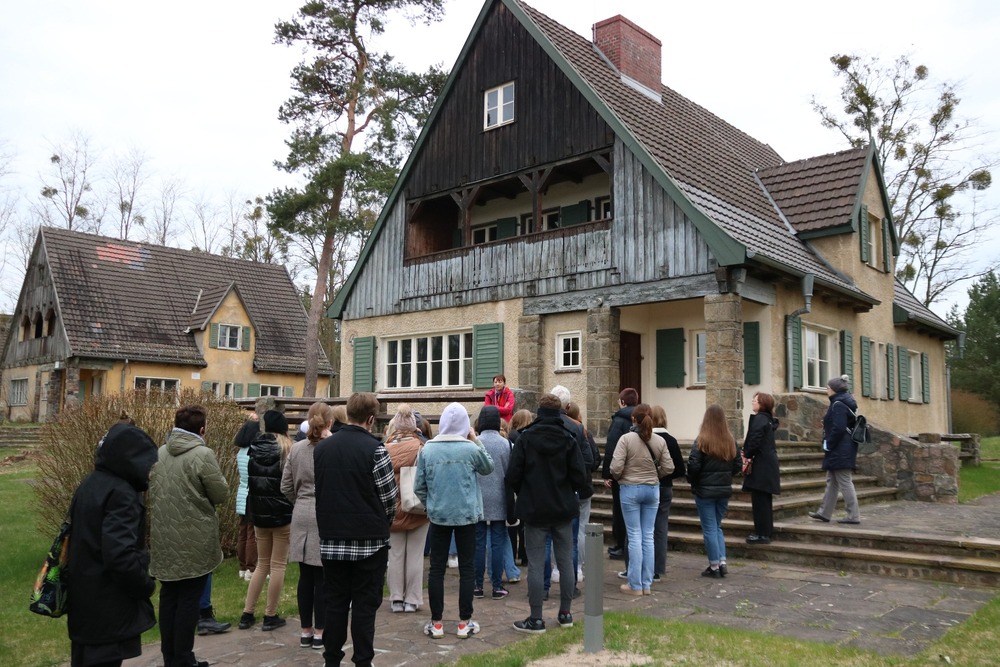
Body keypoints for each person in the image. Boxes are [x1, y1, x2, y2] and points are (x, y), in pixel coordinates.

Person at [315, 392, 397, 667]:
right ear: (371, 419)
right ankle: (363, 659)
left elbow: (322, 490)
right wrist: (384, 522)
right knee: (364, 605)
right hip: (369, 541)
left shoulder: (323, 449)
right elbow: (388, 498)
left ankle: (332, 660)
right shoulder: (376, 449)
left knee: (335, 603)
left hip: (332, 538)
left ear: (348, 413)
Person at [67, 422, 158, 667]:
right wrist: (144, 583)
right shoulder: (122, 493)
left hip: (85, 595)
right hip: (107, 602)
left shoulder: (91, 483)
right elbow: (119, 554)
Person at [149, 405, 229, 667]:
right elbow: (220, 494)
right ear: (202, 429)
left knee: (169, 595)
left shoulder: (159, 453)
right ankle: (183, 658)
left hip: (164, 535)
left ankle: (171, 656)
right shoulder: (203, 454)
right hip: (195, 537)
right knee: (187, 600)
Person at [506, 393, 591, 634]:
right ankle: (565, 613)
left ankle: (536, 618)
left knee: (535, 563)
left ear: (539, 412)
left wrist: (526, 490)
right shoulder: (568, 438)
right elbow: (579, 476)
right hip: (562, 507)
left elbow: (513, 475)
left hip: (535, 507)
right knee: (565, 562)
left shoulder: (526, 439)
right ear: (559, 412)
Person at [414, 402, 494, 640]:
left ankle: (436, 623)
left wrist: (431, 504)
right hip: (466, 515)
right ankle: (464, 622)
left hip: (438, 515)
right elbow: (488, 467)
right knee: (467, 568)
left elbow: (418, 486)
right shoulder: (469, 449)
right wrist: (474, 438)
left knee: (436, 569)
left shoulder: (428, 449)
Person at [281, 401, 334, 649]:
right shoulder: (333, 448)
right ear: (330, 422)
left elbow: (285, 486)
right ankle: (320, 632)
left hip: (301, 513)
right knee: (322, 578)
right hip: (325, 512)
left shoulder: (296, 449)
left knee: (305, 577)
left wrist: (301, 501)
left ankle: (305, 630)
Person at [240, 410, 294, 632]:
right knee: (278, 564)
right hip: (281, 513)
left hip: (258, 512)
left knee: (262, 563)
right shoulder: (286, 449)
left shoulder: (253, 448)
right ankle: (270, 614)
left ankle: (247, 613)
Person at [610, 403, 672, 595]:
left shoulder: (626, 439)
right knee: (648, 536)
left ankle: (635, 584)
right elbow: (668, 467)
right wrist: (655, 476)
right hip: (652, 489)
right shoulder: (659, 440)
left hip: (630, 488)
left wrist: (621, 478)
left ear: (633, 419)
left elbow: (615, 467)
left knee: (634, 536)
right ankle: (646, 583)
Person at [383, 404, 430, 613]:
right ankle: (412, 599)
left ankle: (395, 598)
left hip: (392, 507)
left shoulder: (383, 448)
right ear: (414, 426)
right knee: (415, 555)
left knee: (395, 555)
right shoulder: (422, 447)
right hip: (418, 507)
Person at [686, 404, 741, 578]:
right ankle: (722, 561)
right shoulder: (730, 440)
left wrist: (693, 481)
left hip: (705, 490)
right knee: (716, 526)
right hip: (723, 490)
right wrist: (725, 476)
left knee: (709, 528)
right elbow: (738, 465)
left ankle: (714, 565)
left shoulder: (702, 440)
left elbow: (694, 466)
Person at [810, 375, 862, 525]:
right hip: (842, 447)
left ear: (833, 389)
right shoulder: (843, 401)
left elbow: (838, 428)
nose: (826, 390)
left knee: (844, 481)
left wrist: (828, 443)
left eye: (827, 387)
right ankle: (824, 513)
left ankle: (853, 516)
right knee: (831, 480)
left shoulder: (838, 404)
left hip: (840, 447)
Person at [473, 405, 512, 600]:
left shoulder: (474, 442)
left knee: (478, 543)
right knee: (498, 542)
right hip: (499, 497)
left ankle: (477, 585)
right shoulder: (505, 444)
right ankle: (497, 585)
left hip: (478, 497)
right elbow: (509, 472)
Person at [649, 405, 686, 579]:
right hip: (665, 487)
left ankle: (644, 566)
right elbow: (679, 469)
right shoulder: (670, 440)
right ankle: (658, 567)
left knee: (645, 528)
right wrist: (665, 474)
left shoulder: (645, 438)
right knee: (661, 528)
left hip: (648, 485)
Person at [603, 388, 638, 560]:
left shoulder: (618, 420)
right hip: (637, 472)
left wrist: (607, 474)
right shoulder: (642, 418)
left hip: (621, 473)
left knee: (620, 510)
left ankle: (621, 545)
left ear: (622, 402)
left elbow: (611, 448)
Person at [743, 392, 781, 544]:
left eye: (755, 400)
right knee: (763, 500)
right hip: (766, 464)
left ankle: (762, 534)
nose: (753, 402)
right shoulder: (767, 419)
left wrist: (746, 454)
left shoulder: (760, 419)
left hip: (762, 465)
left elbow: (754, 440)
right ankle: (765, 531)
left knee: (760, 501)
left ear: (762, 403)